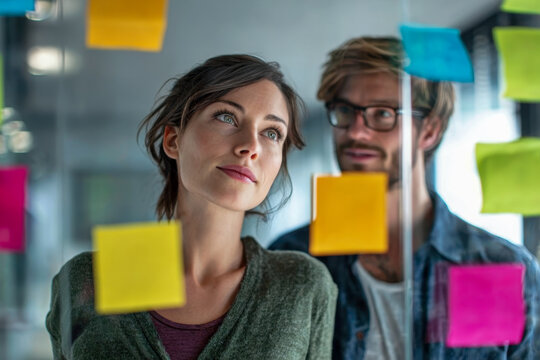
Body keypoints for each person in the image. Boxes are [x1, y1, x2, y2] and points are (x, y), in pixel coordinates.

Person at [46, 54, 337, 359]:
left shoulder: (301, 284)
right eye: (227, 117)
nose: (251, 146)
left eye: (272, 133)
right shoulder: (89, 278)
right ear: (173, 140)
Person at [270, 37, 540, 359]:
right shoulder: (291, 258)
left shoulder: (497, 266)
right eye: (344, 110)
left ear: (430, 131)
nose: (355, 131)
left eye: (383, 114)